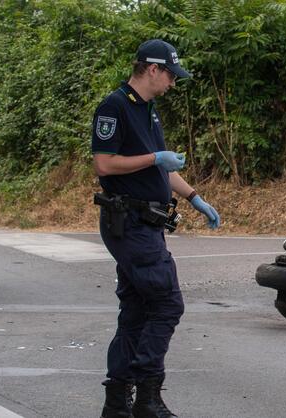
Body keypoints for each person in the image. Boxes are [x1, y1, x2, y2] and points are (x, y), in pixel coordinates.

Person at [93, 39, 220, 418]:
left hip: (146, 222)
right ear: (152, 69)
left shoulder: (149, 111)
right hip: (128, 222)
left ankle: (117, 402)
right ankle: (147, 396)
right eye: (170, 75)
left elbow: (161, 166)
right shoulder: (115, 107)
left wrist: (194, 196)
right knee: (166, 303)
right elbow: (105, 164)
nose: (173, 83)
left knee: (136, 309)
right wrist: (154, 158)